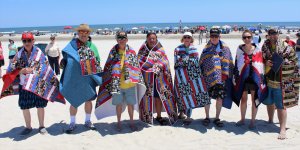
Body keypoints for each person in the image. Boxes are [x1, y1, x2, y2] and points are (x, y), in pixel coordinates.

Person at [0, 32, 65, 136]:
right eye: (24, 40)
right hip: (24, 85)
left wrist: (35, 70)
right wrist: (21, 70)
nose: (27, 43)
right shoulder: (19, 54)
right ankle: (28, 127)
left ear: (33, 41)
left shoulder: (39, 52)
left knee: (40, 105)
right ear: (22, 42)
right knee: (24, 106)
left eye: (29, 40)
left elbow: (46, 67)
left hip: (38, 83)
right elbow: (10, 69)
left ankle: (41, 126)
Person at [94, 31, 146, 131]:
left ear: (127, 39)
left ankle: (131, 122)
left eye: (123, 38)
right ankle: (118, 123)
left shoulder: (131, 51)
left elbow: (136, 67)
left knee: (131, 105)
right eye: (119, 38)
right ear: (117, 40)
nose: (121, 40)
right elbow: (108, 66)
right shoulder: (113, 52)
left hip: (129, 84)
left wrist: (134, 77)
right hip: (117, 84)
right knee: (118, 105)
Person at [60, 24, 102, 134]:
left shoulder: (93, 46)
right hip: (74, 78)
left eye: (86, 32)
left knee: (88, 100)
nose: (83, 34)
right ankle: (72, 123)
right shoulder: (72, 45)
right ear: (78, 33)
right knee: (74, 100)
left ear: (89, 34)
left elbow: (97, 62)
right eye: (81, 32)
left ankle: (87, 121)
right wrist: (63, 62)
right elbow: (65, 59)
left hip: (88, 78)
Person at [262, 29, 299, 140]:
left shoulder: (286, 47)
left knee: (281, 105)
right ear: (268, 35)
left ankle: (282, 129)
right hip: (269, 79)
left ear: (278, 35)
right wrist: (266, 61)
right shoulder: (265, 46)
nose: (273, 36)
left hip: (281, 80)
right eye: (271, 34)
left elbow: (294, 61)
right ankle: (270, 120)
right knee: (269, 101)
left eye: (275, 34)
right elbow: (261, 57)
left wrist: (282, 62)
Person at [138, 32, 178, 125]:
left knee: (158, 98)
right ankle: (147, 117)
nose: (152, 40)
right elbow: (139, 63)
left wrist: (159, 66)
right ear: (147, 39)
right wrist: (150, 67)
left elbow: (165, 62)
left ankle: (159, 116)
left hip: (159, 79)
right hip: (147, 79)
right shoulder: (142, 51)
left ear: (156, 39)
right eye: (150, 38)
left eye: (153, 39)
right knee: (145, 98)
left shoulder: (160, 49)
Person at [199, 28, 234, 128]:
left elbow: (229, 62)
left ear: (219, 36)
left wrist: (228, 74)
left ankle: (217, 118)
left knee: (220, 98)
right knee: (207, 98)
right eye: (212, 36)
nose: (214, 38)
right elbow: (202, 62)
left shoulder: (225, 48)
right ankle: (207, 117)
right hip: (208, 77)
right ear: (209, 37)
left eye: (216, 36)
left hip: (221, 78)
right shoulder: (206, 48)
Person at [233, 30, 267, 130]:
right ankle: (243, 119)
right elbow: (237, 63)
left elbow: (260, 64)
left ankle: (252, 121)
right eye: (244, 37)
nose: (246, 39)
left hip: (254, 78)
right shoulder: (239, 49)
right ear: (242, 39)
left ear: (252, 38)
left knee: (254, 99)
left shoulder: (257, 50)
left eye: (248, 37)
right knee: (243, 99)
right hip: (243, 77)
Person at [174, 32, 210, 125]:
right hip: (180, 76)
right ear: (182, 38)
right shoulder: (177, 49)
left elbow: (196, 62)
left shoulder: (194, 49)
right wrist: (188, 60)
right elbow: (176, 63)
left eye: (188, 37)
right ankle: (181, 113)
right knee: (181, 95)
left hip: (191, 77)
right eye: (185, 37)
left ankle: (189, 116)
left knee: (190, 95)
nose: (187, 38)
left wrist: (184, 60)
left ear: (191, 39)